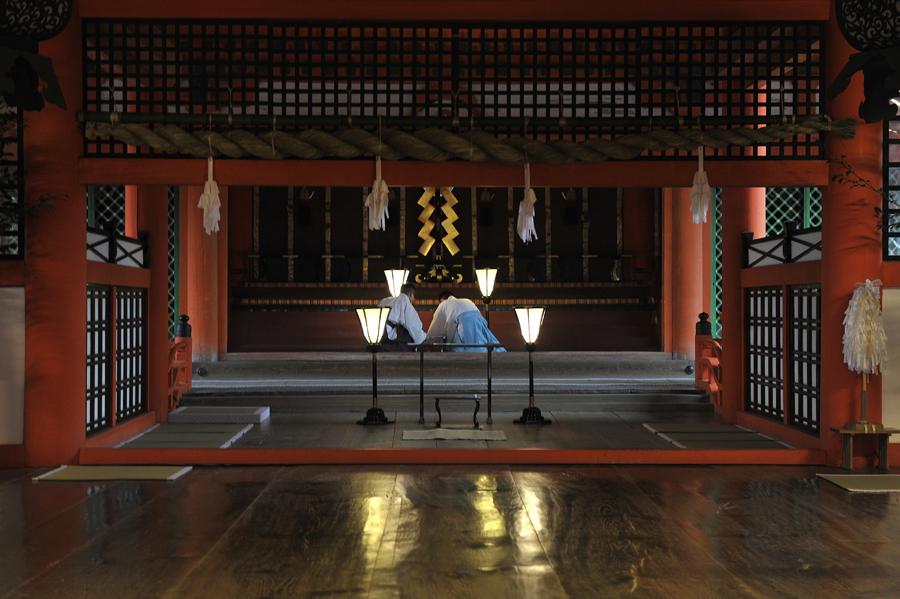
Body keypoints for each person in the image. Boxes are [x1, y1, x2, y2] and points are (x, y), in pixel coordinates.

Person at [426, 290, 505, 352]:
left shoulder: (444, 304)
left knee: (465, 348)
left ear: (442, 300)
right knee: (483, 344)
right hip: (480, 321)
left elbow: (436, 326)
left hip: (465, 323)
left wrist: (429, 341)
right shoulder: (467, 300)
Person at [377, 283, 426, 352]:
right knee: (406, 330)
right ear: (411, 294)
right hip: (391, 336)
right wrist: (422, 337)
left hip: (378, 334)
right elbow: (412, 325)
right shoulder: (405, 303)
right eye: (413, 296)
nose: (414, 299)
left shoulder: (384, 300)